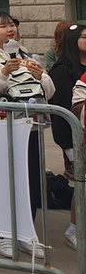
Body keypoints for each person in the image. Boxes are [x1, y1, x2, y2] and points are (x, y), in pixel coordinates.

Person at [0, 12, 56, 259]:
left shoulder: (26, 56)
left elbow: (49, 92)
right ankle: (6, 233)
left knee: (31, 179)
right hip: (1, 128)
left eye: (12, 25)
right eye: (4, 26)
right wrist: (2, 73)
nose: (10, 29)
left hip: (30, 127)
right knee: (6, 180)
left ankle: (27, 233)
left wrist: (40, 75)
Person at [48, 23, 86, 250]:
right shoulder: (63, 71)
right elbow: (61, 113)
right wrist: (68, 146)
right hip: (75, 139)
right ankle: (74, 227)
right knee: (81, 184)